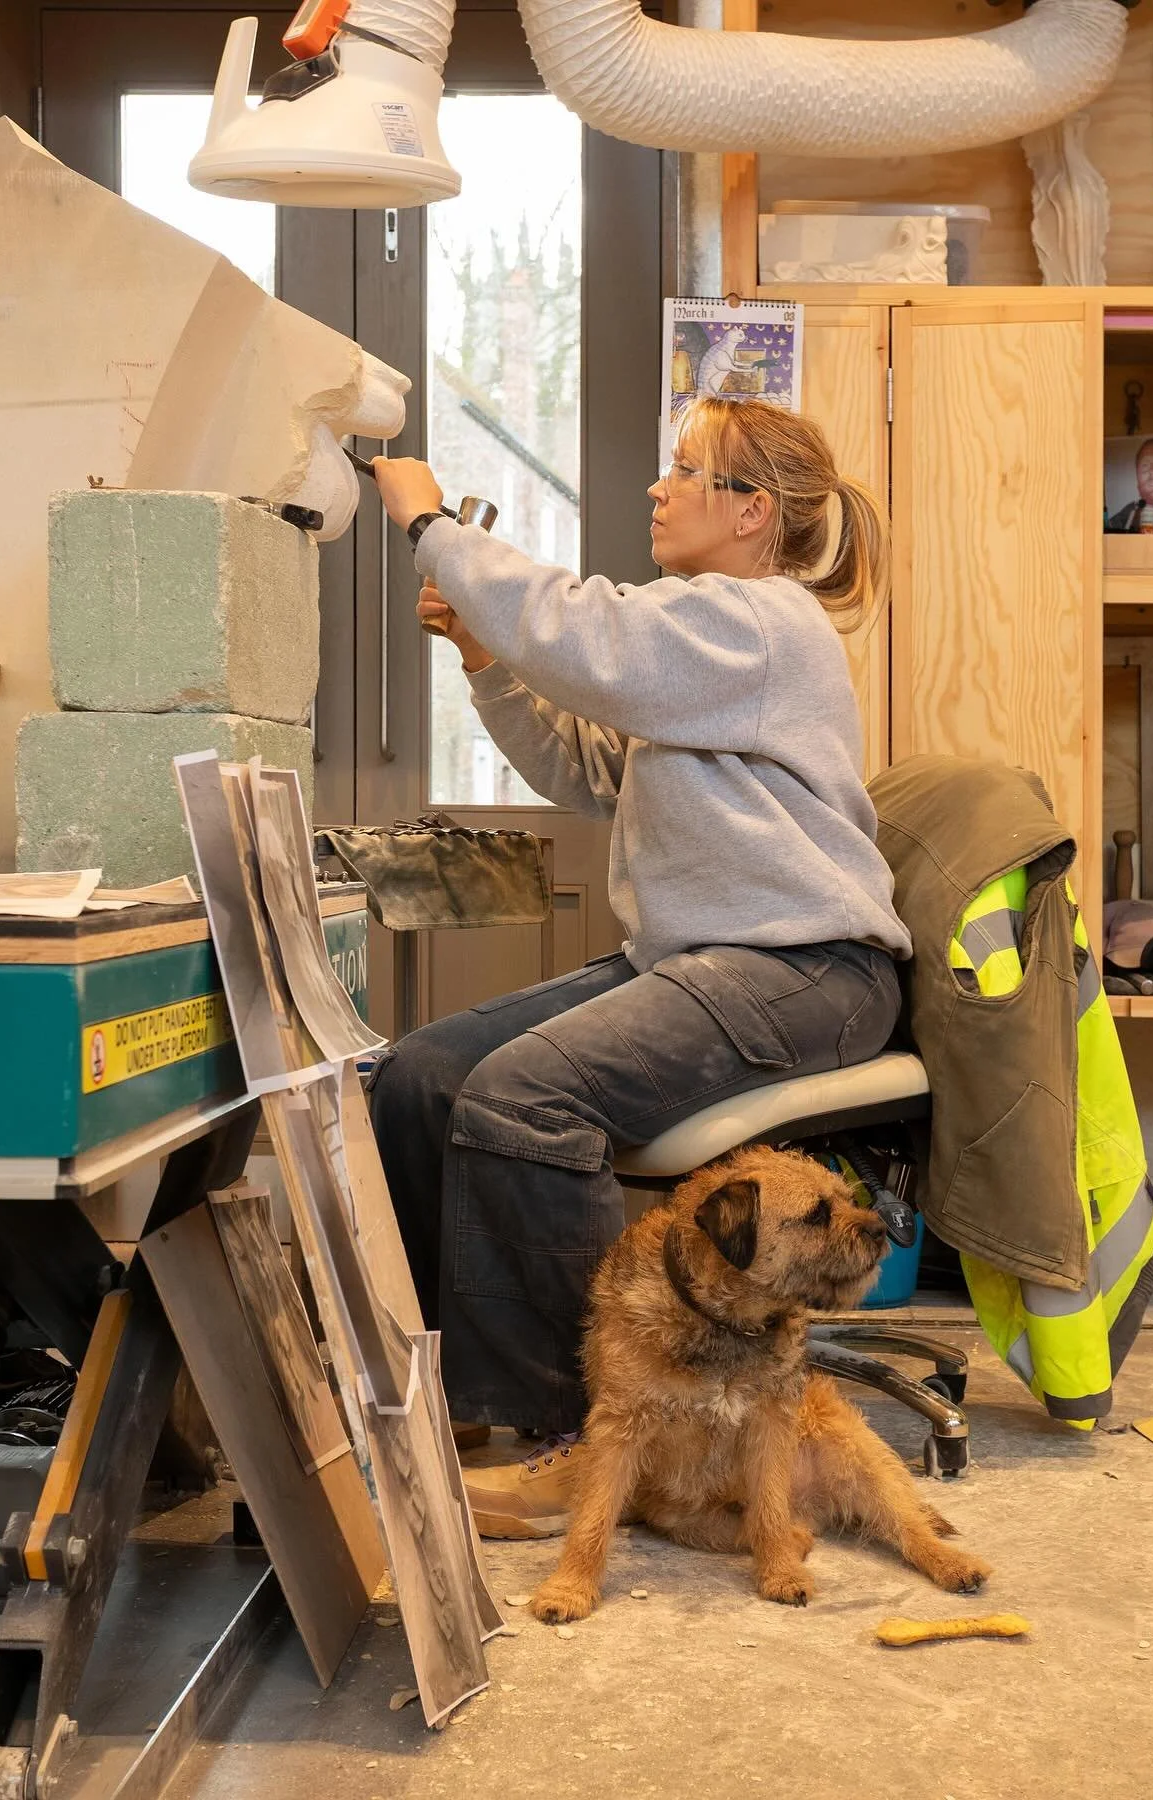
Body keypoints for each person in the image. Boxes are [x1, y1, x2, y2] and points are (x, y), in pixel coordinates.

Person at [367, 397, 911, 1538]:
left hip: (808, 970)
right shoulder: (705, 650)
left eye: (686, 471)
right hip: (713, 958)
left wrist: (431, 528)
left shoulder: (757, 621)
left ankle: (584, 1437)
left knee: (525, 1097)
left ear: (752, 512)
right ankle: (451, 1397)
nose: (659, 490)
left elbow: (590, 637)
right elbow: (588, 767)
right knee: (421, 1076)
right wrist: (485, 657)